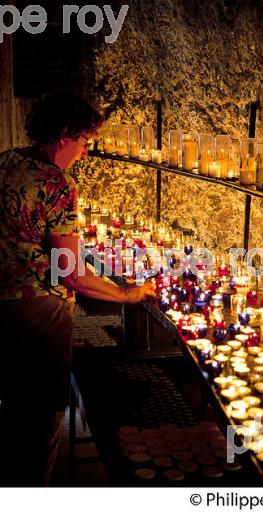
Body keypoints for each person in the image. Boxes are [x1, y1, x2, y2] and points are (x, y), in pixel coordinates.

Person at [0, 90, 155, 486]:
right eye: (85, 141)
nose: (85, 151)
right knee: (38, 418)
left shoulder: (6, 162)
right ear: (65, 133)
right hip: (36, 313)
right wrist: (126, 294)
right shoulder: (57, 185)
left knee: (10, 411)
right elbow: (68, 272)